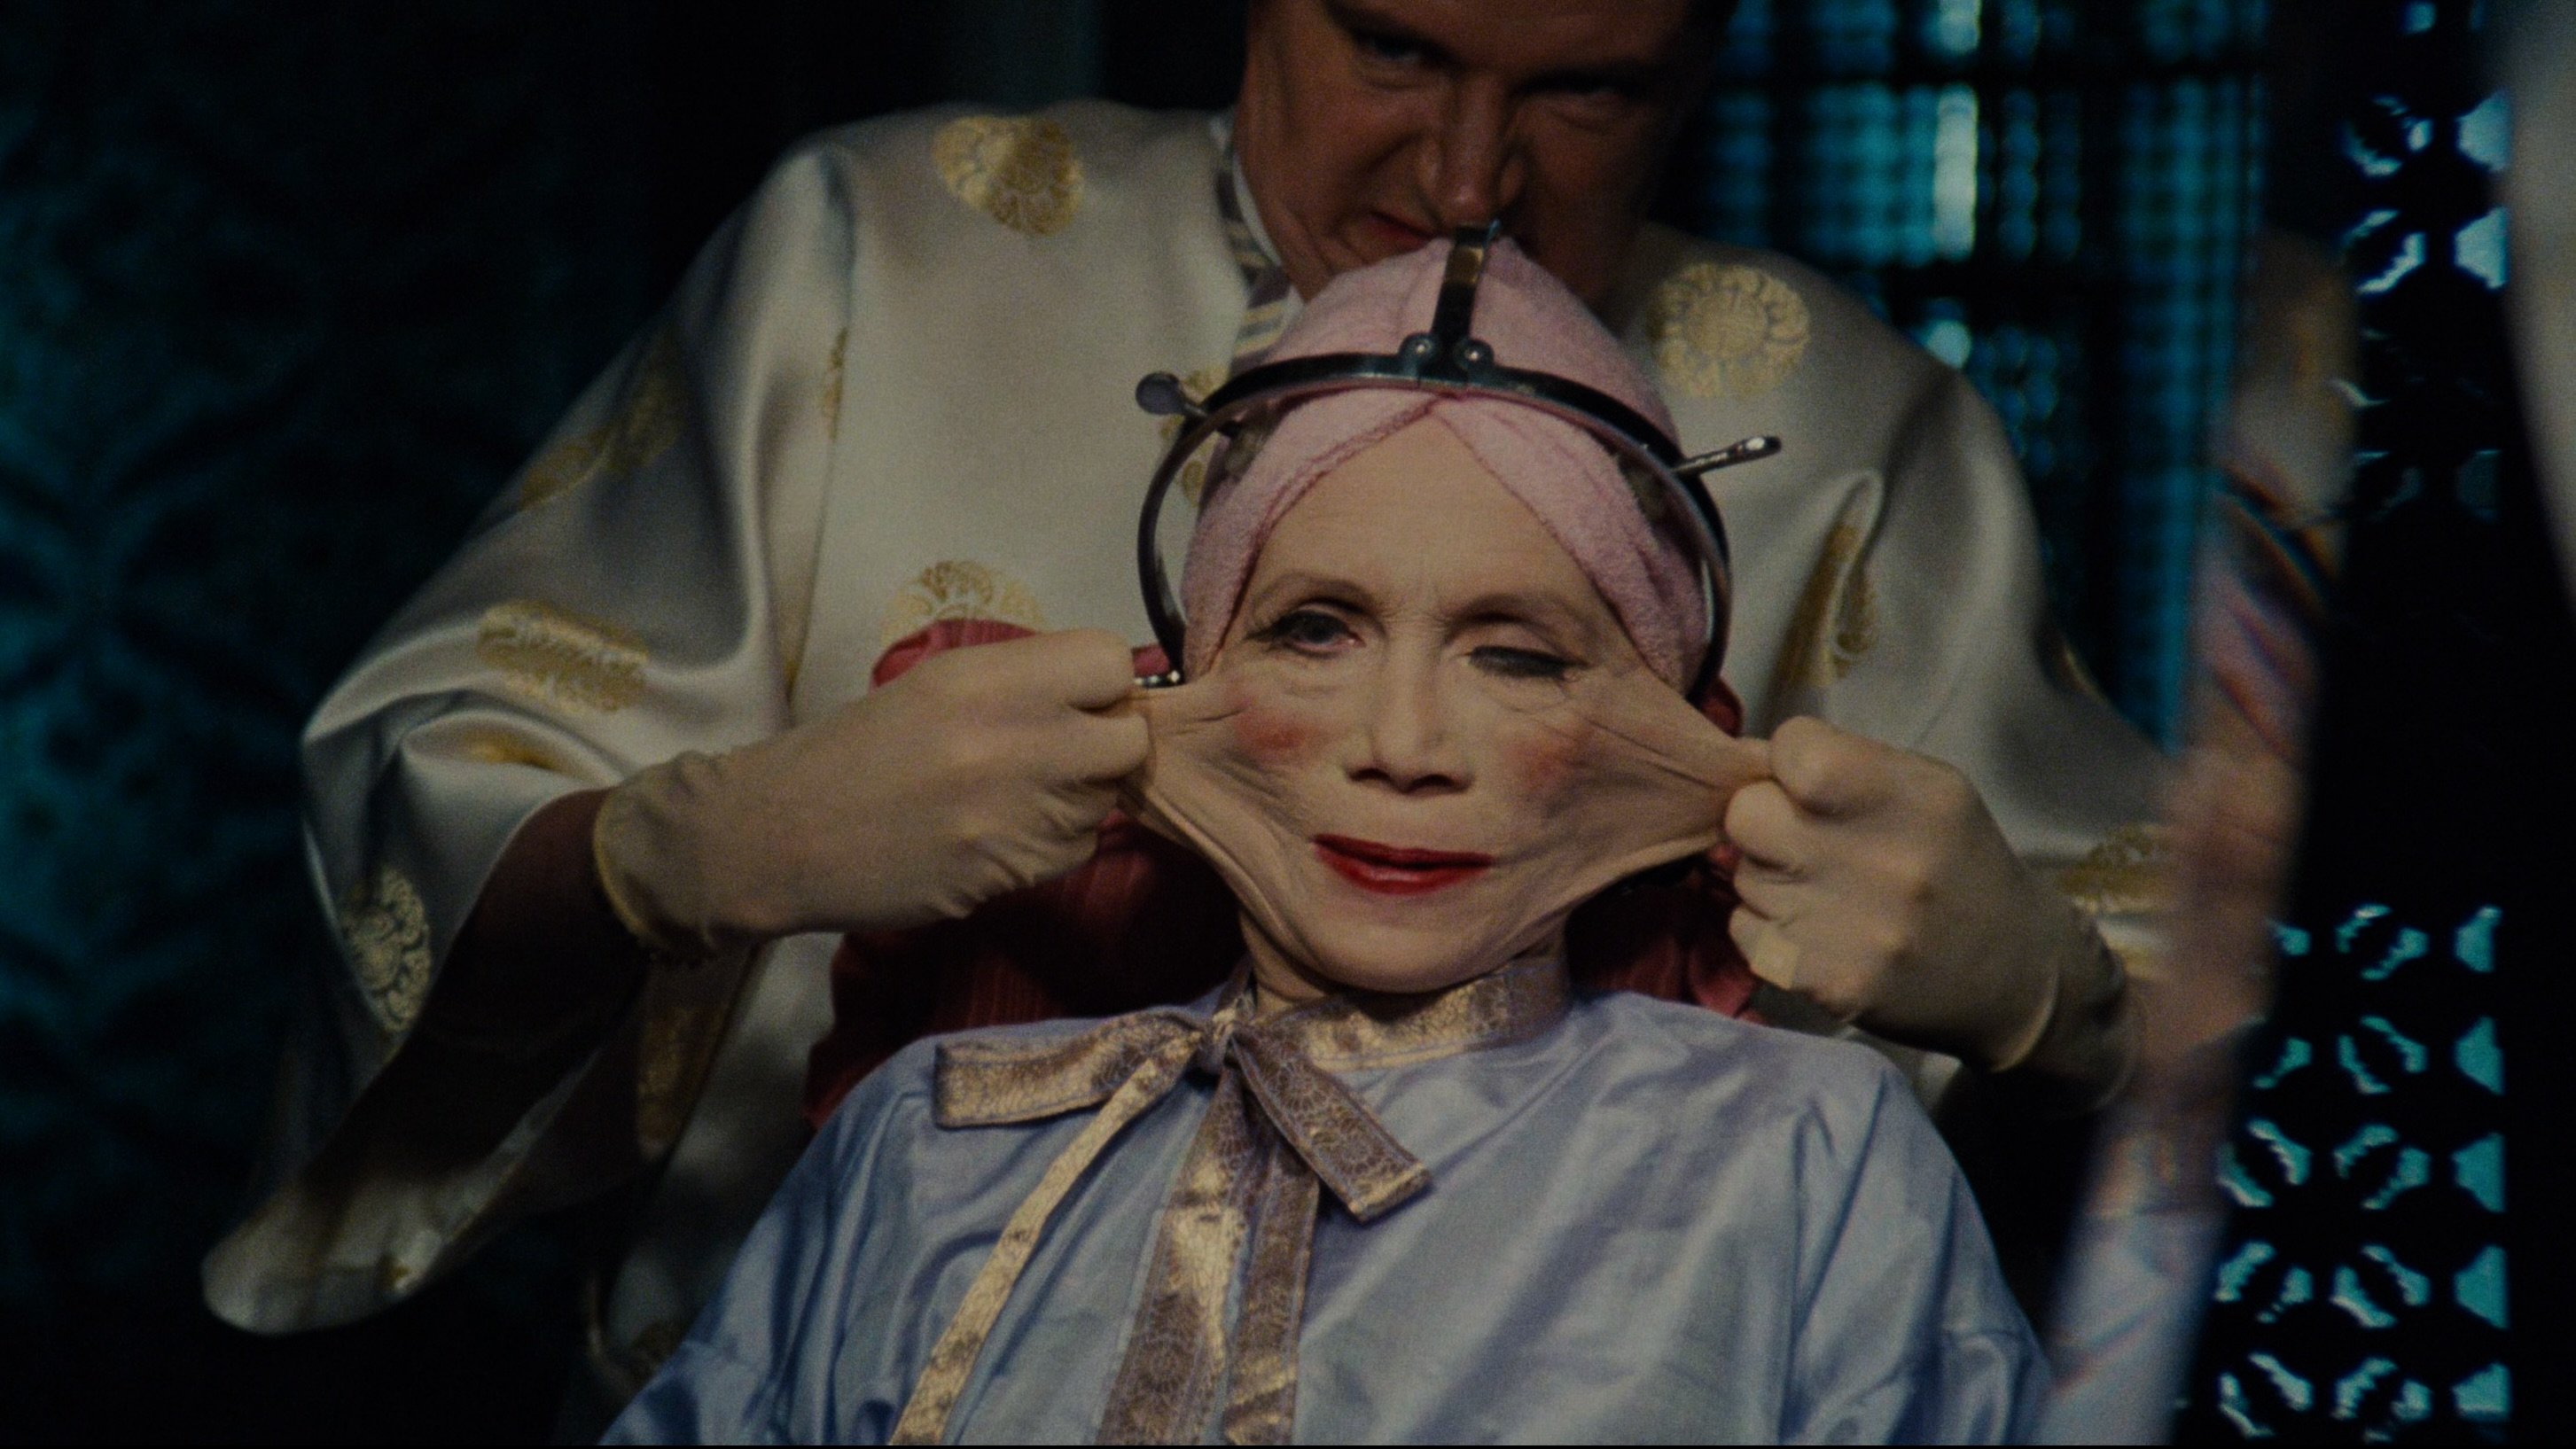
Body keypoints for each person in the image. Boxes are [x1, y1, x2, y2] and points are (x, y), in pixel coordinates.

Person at [202, 0, 2161, 1407]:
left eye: (1588, 88)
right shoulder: (872, 266)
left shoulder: (1861, 435)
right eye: (1392, 47)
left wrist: (2060, 1002)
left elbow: (2205, 1061)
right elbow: (425, 800)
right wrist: (681, 852)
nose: (1466, 181)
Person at [605, 237, 2042, 1445]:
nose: (1402, 745)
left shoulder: (1799, 1156)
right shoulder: (927, 1139)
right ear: (1185, 672)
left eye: (1517, 655)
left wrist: (2071, 1021)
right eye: (1312, 631)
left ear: (1654, 716)